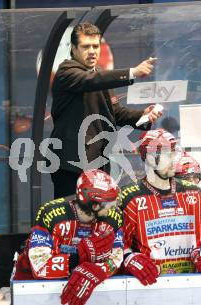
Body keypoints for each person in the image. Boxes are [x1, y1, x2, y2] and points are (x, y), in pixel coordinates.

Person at [50, 22, 162, 198]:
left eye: (96, 46)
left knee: (98, 218)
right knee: (71, 218)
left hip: (97, 162)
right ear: (73, 48)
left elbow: (115, 113)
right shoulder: (66, 71)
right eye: (86, 46)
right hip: (70, 165)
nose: (93, 51)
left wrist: (143, 115)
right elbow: (91, 80)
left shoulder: (99, 75)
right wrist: (133, 72)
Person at [118, 129, 201, 284]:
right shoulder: (130, 198)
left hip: (193, 283)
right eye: (167, 154)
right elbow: (118, 244)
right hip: (151, 285)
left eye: (174, 153)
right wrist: (130, 258)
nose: (174, 159)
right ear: (149, 157)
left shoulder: (194, 193)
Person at [13, 169, 124, 305]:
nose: (114, 206)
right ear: (95, 206)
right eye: (110, 202)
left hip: (90, 288)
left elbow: (117, 258)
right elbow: (39, 266)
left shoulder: (115, 218)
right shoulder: (50, 214)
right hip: (38, 289)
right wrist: (79, 259)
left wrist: (95, 271)